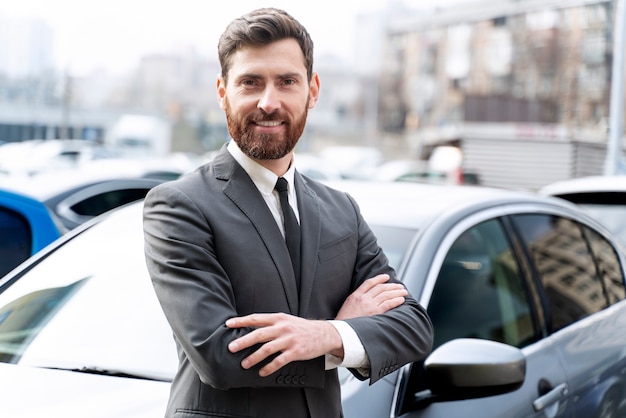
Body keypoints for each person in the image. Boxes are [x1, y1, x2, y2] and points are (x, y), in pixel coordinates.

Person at [143, 7, 433, 418]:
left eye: (286, 82)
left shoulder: (341, 210)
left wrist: (326, 333)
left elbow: (413, 327)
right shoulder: (179, 206)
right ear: (223, 91)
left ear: (312, 90)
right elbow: (220, 356)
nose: (269, 102)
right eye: (250, 82)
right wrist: (338, 337)